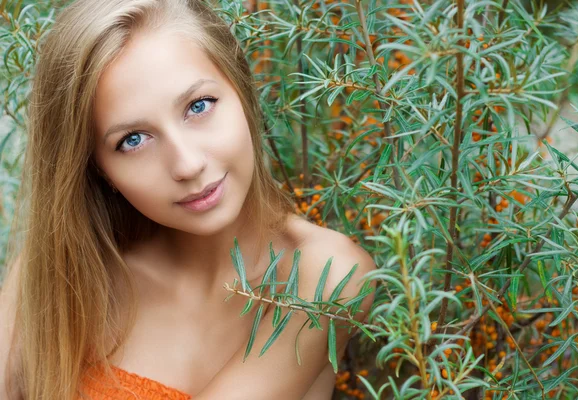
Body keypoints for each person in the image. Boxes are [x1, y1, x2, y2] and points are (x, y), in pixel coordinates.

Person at [0, 0, 377, 399]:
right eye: (133, 140)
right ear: (97, 169)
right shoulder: (62, 272)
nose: (187, 164)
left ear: (242, 91)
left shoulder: (325, 275)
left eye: (199, 106)